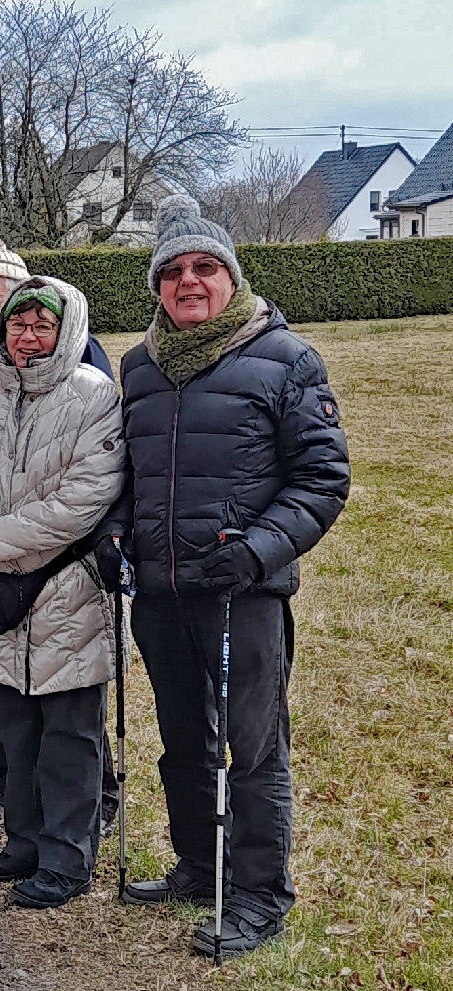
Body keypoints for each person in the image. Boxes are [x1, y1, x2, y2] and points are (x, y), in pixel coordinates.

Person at [114, 195, 349, 957]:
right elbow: (130, 474)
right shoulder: (140, 366)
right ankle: (198, 861)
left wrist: (257, 552)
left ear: (231, 275)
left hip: (242, 595)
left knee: (252, 749)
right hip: (160, 592)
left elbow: (323, 478)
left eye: (205, 266)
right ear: (156, 285)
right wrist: (115, 536)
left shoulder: (286, 358)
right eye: (173, 270)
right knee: (183, 739)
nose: (189, 280)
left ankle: (257, 894)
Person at [0, 276, 125, 909]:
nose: (28, 336)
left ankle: (68, 858)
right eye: (19, 324)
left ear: (67, 329)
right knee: (13, 727)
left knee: (70, 734)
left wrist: (0, 539)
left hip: (66, 589)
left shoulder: (95, 397)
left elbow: (86, 496)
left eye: (43, 324)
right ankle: (24, 843)